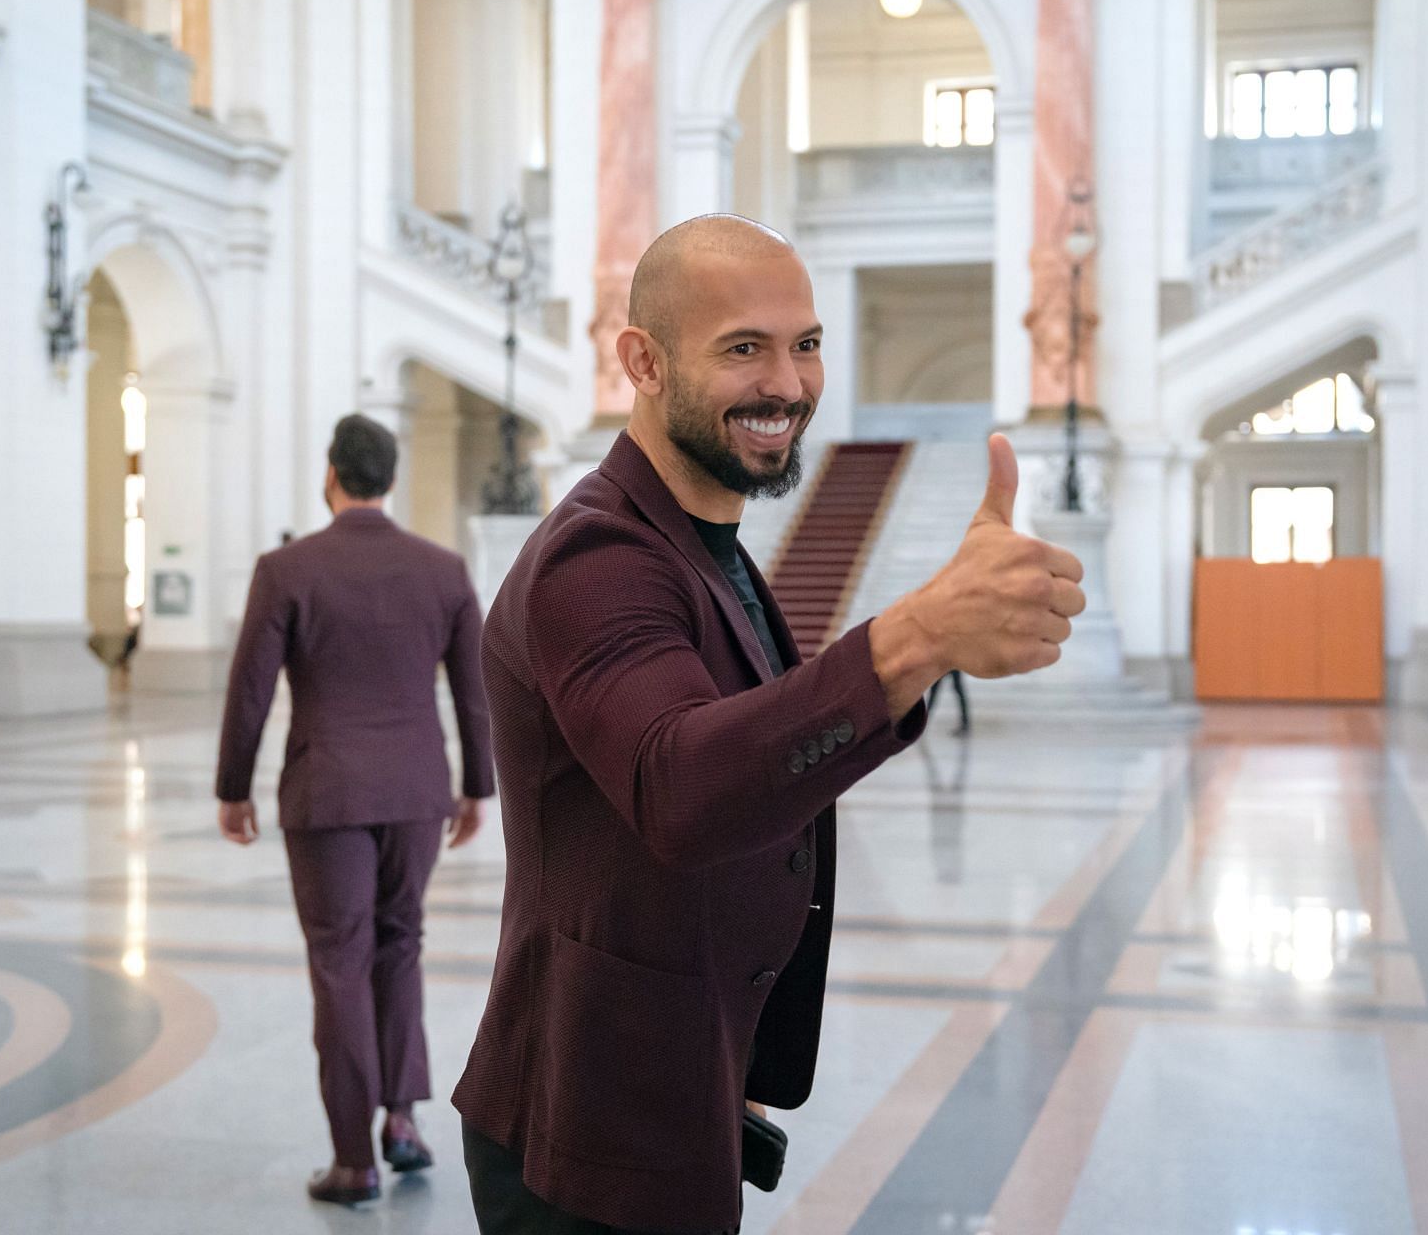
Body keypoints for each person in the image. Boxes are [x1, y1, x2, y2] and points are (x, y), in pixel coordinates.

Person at [453, 215, 1086, 1233]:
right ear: (643, 361)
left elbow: (758, 756)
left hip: (684, 1075)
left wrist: (739, 1054)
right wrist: (916, 634)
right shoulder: (597, 557)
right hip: (583, 1118)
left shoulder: (709, 544)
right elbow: (684, 785)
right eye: (744, 347)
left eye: (808, 343)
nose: (789, 383)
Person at [215, 414, 494, 1207]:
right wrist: (477, 785)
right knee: (400, 942)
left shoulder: (286, 569)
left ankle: (351, 1160)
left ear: (331, 475)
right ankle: (402, 1120)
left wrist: (232, 788)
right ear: (391, 480)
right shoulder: (442, 571)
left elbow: (251, 689)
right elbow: (475, 694)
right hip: (415, 790)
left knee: (340, 959)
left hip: (326, 791)